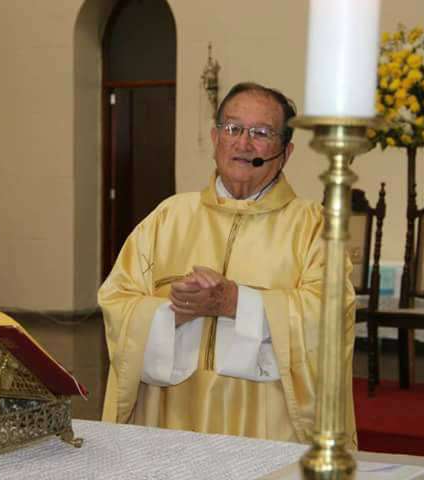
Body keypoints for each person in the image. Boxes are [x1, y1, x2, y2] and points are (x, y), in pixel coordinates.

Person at [98, 82, 357, 448]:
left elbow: (331, 313)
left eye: (261, 133)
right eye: (233, 129)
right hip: (171, 422)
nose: (243, 143)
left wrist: (237, 302)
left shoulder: (313, 226)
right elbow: (116, 300)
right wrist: (172, 313)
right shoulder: (169, 217)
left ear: (285, 152)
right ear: (215, 137)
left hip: (267, 427)